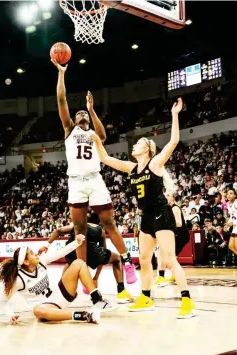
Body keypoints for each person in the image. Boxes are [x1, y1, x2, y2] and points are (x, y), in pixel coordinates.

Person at [91, 98, 196, 319]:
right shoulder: (131, 168)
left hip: (161, 214)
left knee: (169, 259)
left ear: (147, 149)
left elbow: (174, 140)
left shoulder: (155, 163)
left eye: (139, 143)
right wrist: (95, 139)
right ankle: (146, 297)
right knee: (145, 260)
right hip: (145, 218)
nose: (134, 145)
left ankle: (187, 300)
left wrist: (175, 115)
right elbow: (104, 158)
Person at [51, 59, 136, 284]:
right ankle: (83, 273)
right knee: (80, 229)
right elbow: (61, 99)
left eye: (84, 115)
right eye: (79, 113)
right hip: (75, 182)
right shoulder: (69, 129)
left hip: (95, 179)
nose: (81, 115)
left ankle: (127, 262)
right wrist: (61, 73)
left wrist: (91, 109)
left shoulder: (94, 134)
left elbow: (104, 136)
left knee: (109, 223)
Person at [0, 234, 114, 325]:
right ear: (26, 262)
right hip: (47, 308)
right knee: (37, 311)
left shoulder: (41, 263)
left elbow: (60, 253)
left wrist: (76, 242)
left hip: (61, 295)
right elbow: (2, 302)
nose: (36, 254)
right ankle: (84, 316)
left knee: (78, 263)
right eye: (32, 253)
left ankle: (97, 299)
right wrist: (9, 314)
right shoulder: (18, 280)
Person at [39, 223, 134, 304]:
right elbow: (103, 254)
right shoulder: (101, 230)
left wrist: (47, 245)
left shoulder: (79, 225)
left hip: (73, 249)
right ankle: (121, 291)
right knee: (117, 258)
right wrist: (96, 278)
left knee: (70, 264)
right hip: (91, 251)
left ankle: (59, 295)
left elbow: (58, 230)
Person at [154, 191, 190, 287]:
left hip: (181, 235)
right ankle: (172, 276)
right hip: (175, 235)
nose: (166, 197)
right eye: (165, 195)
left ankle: (162, 277)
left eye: (168, 195)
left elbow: (179, 223)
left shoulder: (175, 208)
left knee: (166, 256)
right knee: (165, 255)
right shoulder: (167, 208)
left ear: (173, 198)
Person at [226, 189, 237, 256]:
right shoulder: (228, 204)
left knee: (236, 245)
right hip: (235, 226)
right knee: (231, 246)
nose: (229, 195)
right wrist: (228, 223)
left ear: (235, 195)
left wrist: (233, 223)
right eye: (227, 194)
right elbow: (232, 216)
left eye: (231, 193)